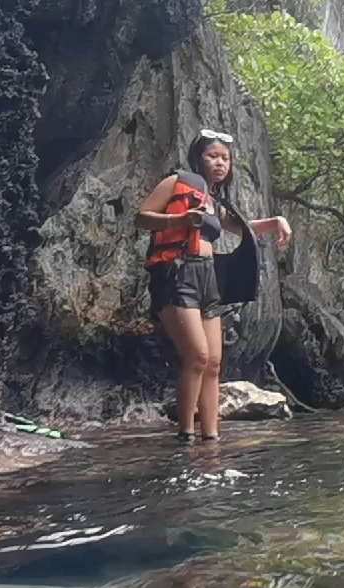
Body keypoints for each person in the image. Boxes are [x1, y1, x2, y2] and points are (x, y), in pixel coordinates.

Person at [135, 130, 292, 442]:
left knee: (214, 363)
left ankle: (212, 437)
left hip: (208, 278)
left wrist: (275, 221)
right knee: (197, 356)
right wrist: (179, 220)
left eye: (225, 158)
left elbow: (243, 229)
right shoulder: (177, 182)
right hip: (177, 273)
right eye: (213, 156)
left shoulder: (215, 202)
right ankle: (186, 435)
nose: (220, 163)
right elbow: (142, 217)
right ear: (198, 158)